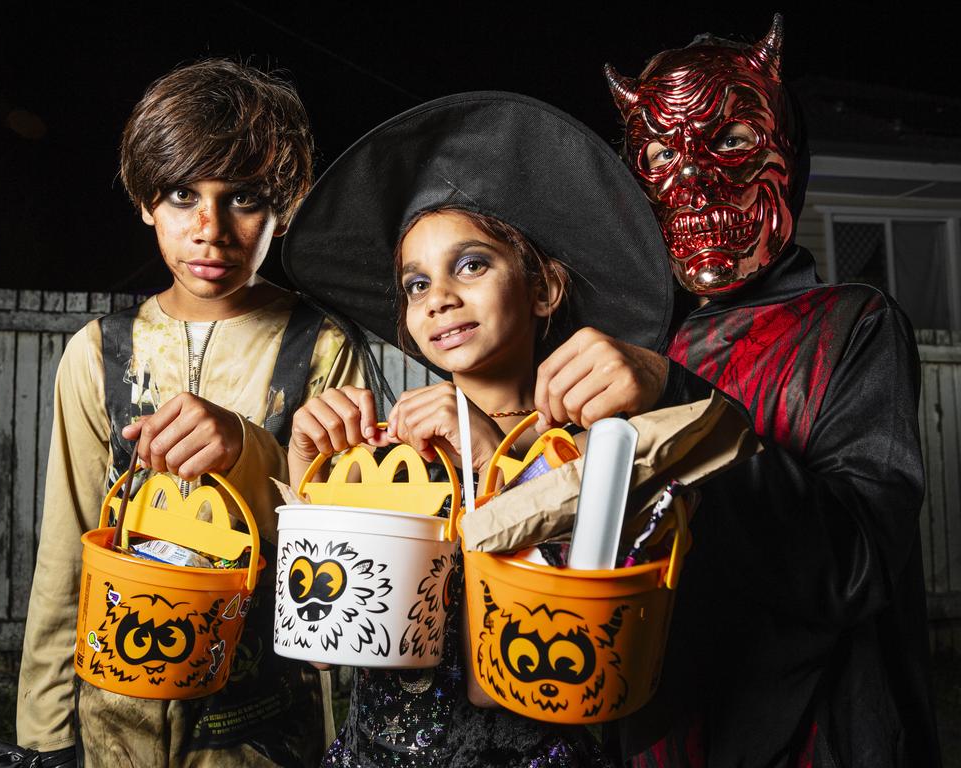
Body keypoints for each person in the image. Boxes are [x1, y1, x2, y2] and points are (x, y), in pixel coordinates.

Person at [515, 13, 946, 767]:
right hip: (667, 732)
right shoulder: (652, 346)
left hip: (818, 739)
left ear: (785, 146)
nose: (690, 177)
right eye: (657, 153)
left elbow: (854, 564)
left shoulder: (853, 325)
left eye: (732, 141)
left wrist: (675, 400)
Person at [277, 92, 674, 767]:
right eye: (415, 283)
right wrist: (308, 477)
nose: (440, 298)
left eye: (471, 264)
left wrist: (497, 469)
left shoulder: (589, 453)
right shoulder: (398, 459)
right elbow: (324, 647)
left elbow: (522, 681)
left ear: (543, 288)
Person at [9, 59, 364, 768]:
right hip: (116, 720)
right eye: (181, 195)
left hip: (265, 727)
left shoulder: (322, 347)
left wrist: (248, 448)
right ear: (144, 199)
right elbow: (66, 548)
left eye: (244, 198)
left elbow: (338, 567)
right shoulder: (98, 353)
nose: (210, 228)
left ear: (285, 207)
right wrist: (44, 737)